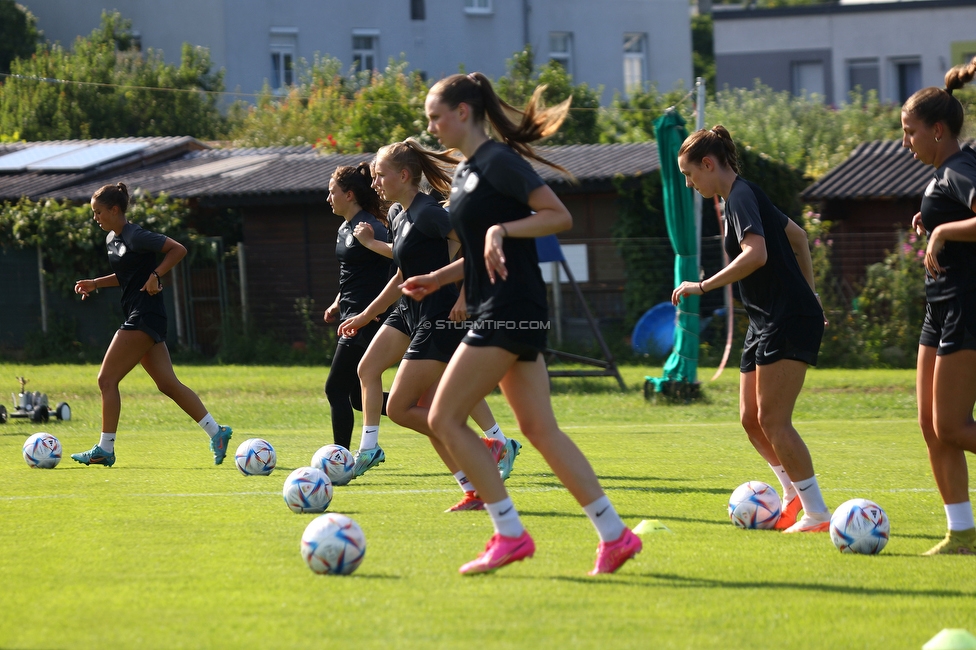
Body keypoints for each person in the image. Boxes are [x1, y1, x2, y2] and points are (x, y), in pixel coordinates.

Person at [400, 72, 642, 575]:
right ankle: (615, 535)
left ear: (463, 112)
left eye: (435, 117)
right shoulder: (468, 170)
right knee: (539, 428)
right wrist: (435, 278)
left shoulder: (498, 161)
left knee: (443, 417)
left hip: (508, 308)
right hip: (509, 306)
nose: (431, 127)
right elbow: (480, 250)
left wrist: (500, 229)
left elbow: (557, 216)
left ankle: (509, 533)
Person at [338, 140, 522, 508]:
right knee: (375, 374)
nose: (374, 183)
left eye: (380, 175)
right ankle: (474, 486)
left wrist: (465, 296)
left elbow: (476, 248)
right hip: (410, 309)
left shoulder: (429, 213)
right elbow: (402, 273)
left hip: (439, 315)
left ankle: (486, 448)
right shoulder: (396, 214)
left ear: (404, 176)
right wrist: (366, 314)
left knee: (405, 408)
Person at [671, 125, 830, 533]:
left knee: (775, 420)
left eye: (690, 175)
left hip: (785, 318)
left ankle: (816, 513)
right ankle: (792, 494)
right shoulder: (742, 195)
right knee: (751, 419)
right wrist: (811, 294)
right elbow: (796, 236)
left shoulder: (740, 197)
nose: (689, 183)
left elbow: (755, 254)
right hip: (764, 319)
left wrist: (701, 286)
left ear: (708, 164)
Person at [70, 183, 232, 467]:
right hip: (140, 313)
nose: (96, 218)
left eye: (98, 212)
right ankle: (217, 433)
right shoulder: (112, 240)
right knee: (167, 384)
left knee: (106, 380)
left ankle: (105, 449)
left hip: (145, 315)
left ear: (115, 209)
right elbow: (127, 275)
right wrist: (96, 283)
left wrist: (157, 274)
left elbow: (177, 250)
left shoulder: (136, 234)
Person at [902, 56, 976, 555]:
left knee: (952, 424)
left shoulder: (961, 168)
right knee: (931, 427)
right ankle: (962, 534)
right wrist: (929, 222)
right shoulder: (943, 173)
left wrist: (944, 229)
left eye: (909, 131)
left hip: (967, 307)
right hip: (939, 307)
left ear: (936, 129)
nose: (905, 141)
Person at [323, 163, 392, 458]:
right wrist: (338, 300)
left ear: (349, 195)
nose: (328, 198)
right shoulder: (345, 227)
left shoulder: (372, 228)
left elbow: (402, 264)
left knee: (335, 389)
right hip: (350, 314)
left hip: (367, 319)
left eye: (332, 192)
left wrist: (377, 309)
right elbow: (354, 272)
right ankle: (428, 410)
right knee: (356, 396)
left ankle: (340, 457)